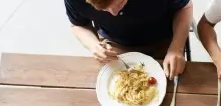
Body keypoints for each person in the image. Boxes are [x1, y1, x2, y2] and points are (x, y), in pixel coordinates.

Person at [65, 0, 193, 78]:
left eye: (119, 3)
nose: (114, 13)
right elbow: (78, 25)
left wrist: (176, 48)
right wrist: (93, 45)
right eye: (103, 9)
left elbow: (184, 7)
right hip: (114, 45)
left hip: (163, 40)